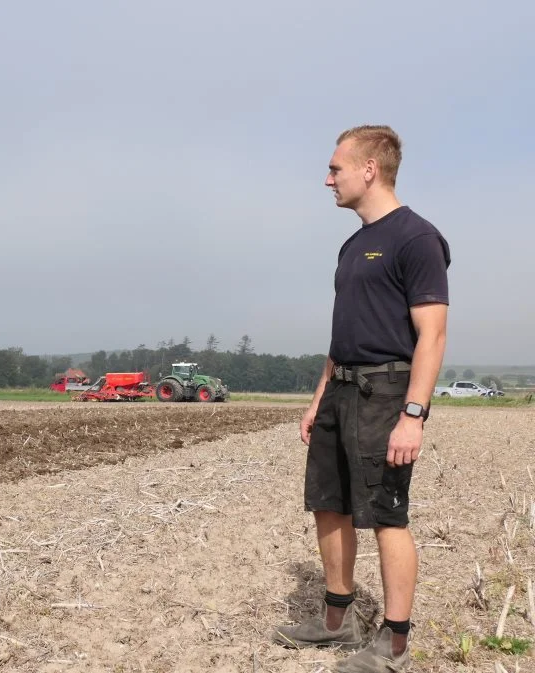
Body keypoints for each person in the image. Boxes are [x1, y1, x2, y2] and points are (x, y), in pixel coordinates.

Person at [272, 125, 450, 672]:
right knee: (329, 502)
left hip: (387, 392)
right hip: (341, 388)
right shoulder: (351, 245)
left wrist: (413, 415)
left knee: (387, 515)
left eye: (335, 168)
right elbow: (342, 332)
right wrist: (318, 398)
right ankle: (337, 619)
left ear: (369, 169)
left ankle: (394, 639)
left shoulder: (416, 239)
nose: (328, 179)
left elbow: (433, 335)